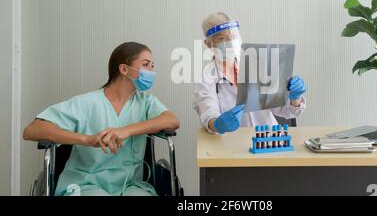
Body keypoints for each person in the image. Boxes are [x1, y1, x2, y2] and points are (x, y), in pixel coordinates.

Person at [23, 42, 180, 196]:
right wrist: (87, 139)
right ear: (124, 69)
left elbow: (172, 120)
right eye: (146, 65)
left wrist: (126, 131)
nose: (152, 71)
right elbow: (32, 130)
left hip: (130, 185)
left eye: (153, 65)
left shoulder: (146, 102)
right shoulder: (87, 103)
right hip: (87, 183)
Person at [193, 12, 307, 134]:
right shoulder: (206, 80)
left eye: (233, 36)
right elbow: (208, 116)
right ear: (209, 44)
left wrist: (295, 98)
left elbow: (287, 112)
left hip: (269, 140)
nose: (231, 42)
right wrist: (217, 124)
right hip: (232, 146)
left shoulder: (257, 66)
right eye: (222, 38)